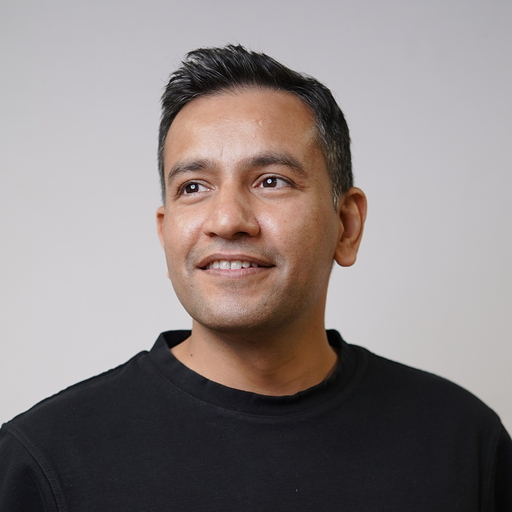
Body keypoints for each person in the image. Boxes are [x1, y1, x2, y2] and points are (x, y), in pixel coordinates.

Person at [1, 45, 510, 511]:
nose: (227, 220)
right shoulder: (41, 463)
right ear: (165, 230)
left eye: (271, 181)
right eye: (193, 187)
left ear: (347, 225)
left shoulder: (464, 444)